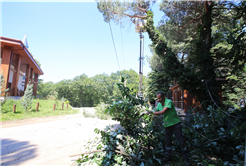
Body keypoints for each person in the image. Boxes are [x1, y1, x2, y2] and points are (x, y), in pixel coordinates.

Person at [150, 91, 190, 165]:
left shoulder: (169, 102)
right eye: (157, 98)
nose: (158, 100)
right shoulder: (159, 105)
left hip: (175, 124)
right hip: (167, 125)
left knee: (181, 140)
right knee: (167, 141)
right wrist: (148, 112)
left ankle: (186, 158)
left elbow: (162, 112)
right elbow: (155, 111)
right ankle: (168, 157)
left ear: (163, 97)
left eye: (160, 98)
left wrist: (152, 113)